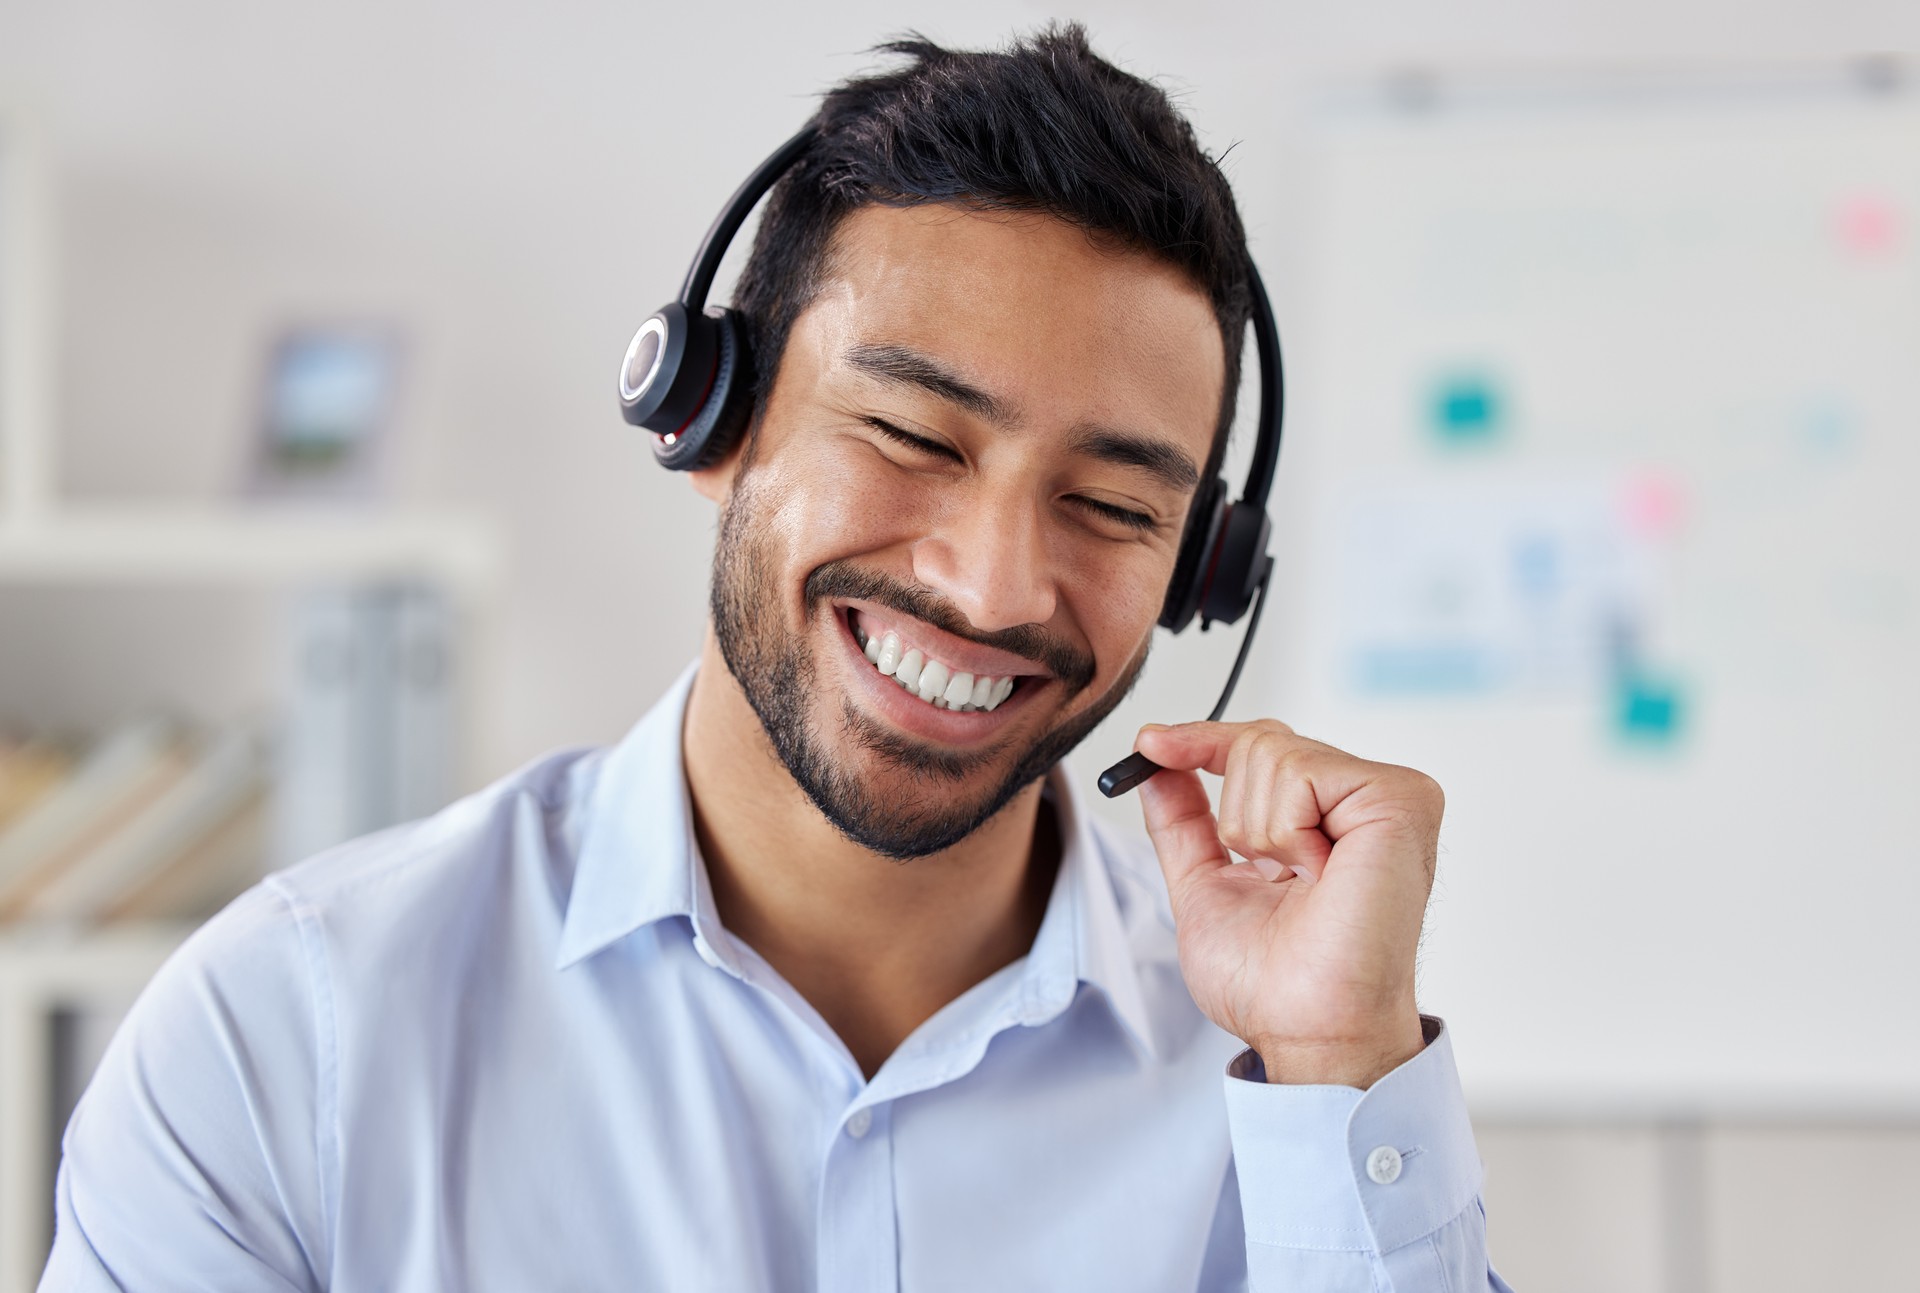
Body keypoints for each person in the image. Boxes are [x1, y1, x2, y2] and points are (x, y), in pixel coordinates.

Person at [41, 25, 1513, 1292]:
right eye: (914, 435)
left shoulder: (1291, 1073)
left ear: (1201, 572)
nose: (994, 586)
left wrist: (1339, 1062)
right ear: (711, 419)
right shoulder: (287, 1034)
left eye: (1118, 508)